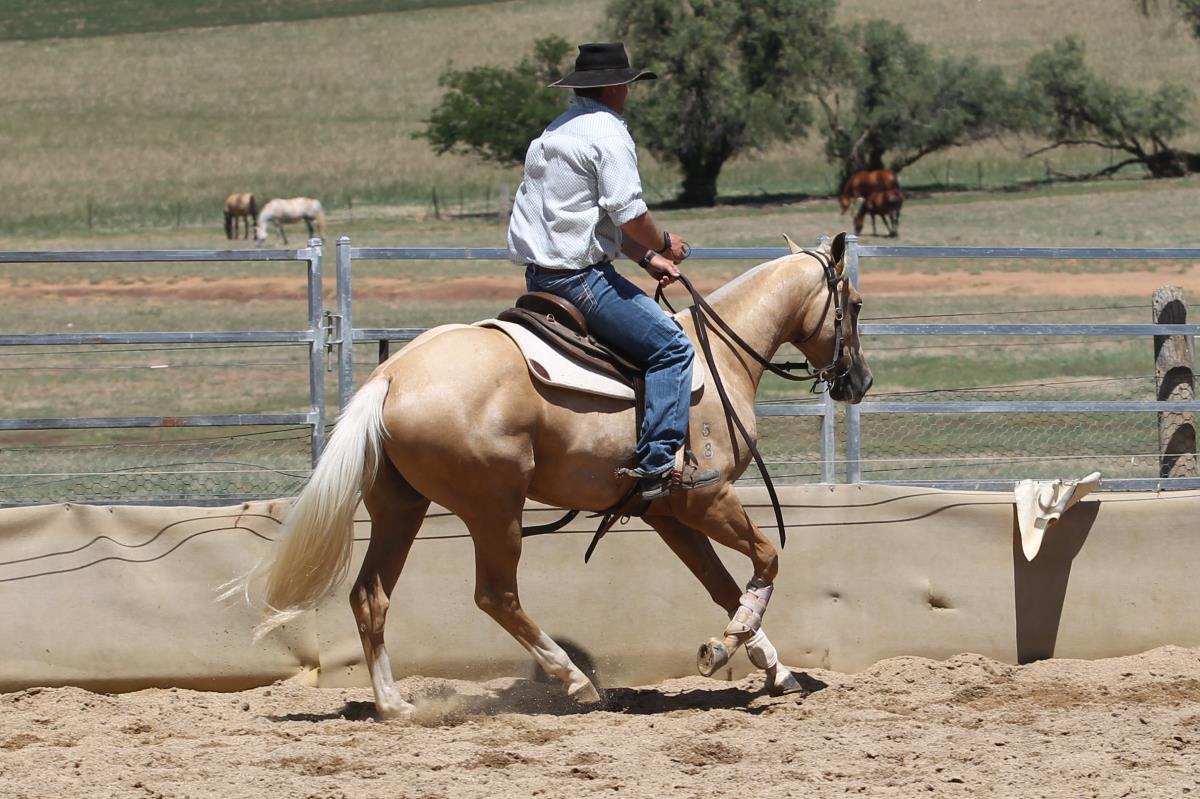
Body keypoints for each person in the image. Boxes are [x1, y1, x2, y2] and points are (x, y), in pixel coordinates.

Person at [506, 41, 719, 501]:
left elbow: (581, 216)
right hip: (582, 282)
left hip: (539, 279)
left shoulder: (554, 131)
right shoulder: (608, 133)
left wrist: (645, 259)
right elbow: (628, 214)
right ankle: (657, 465)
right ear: (616, 86)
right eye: (627, 84)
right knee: (672, 349)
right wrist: (662, 243)